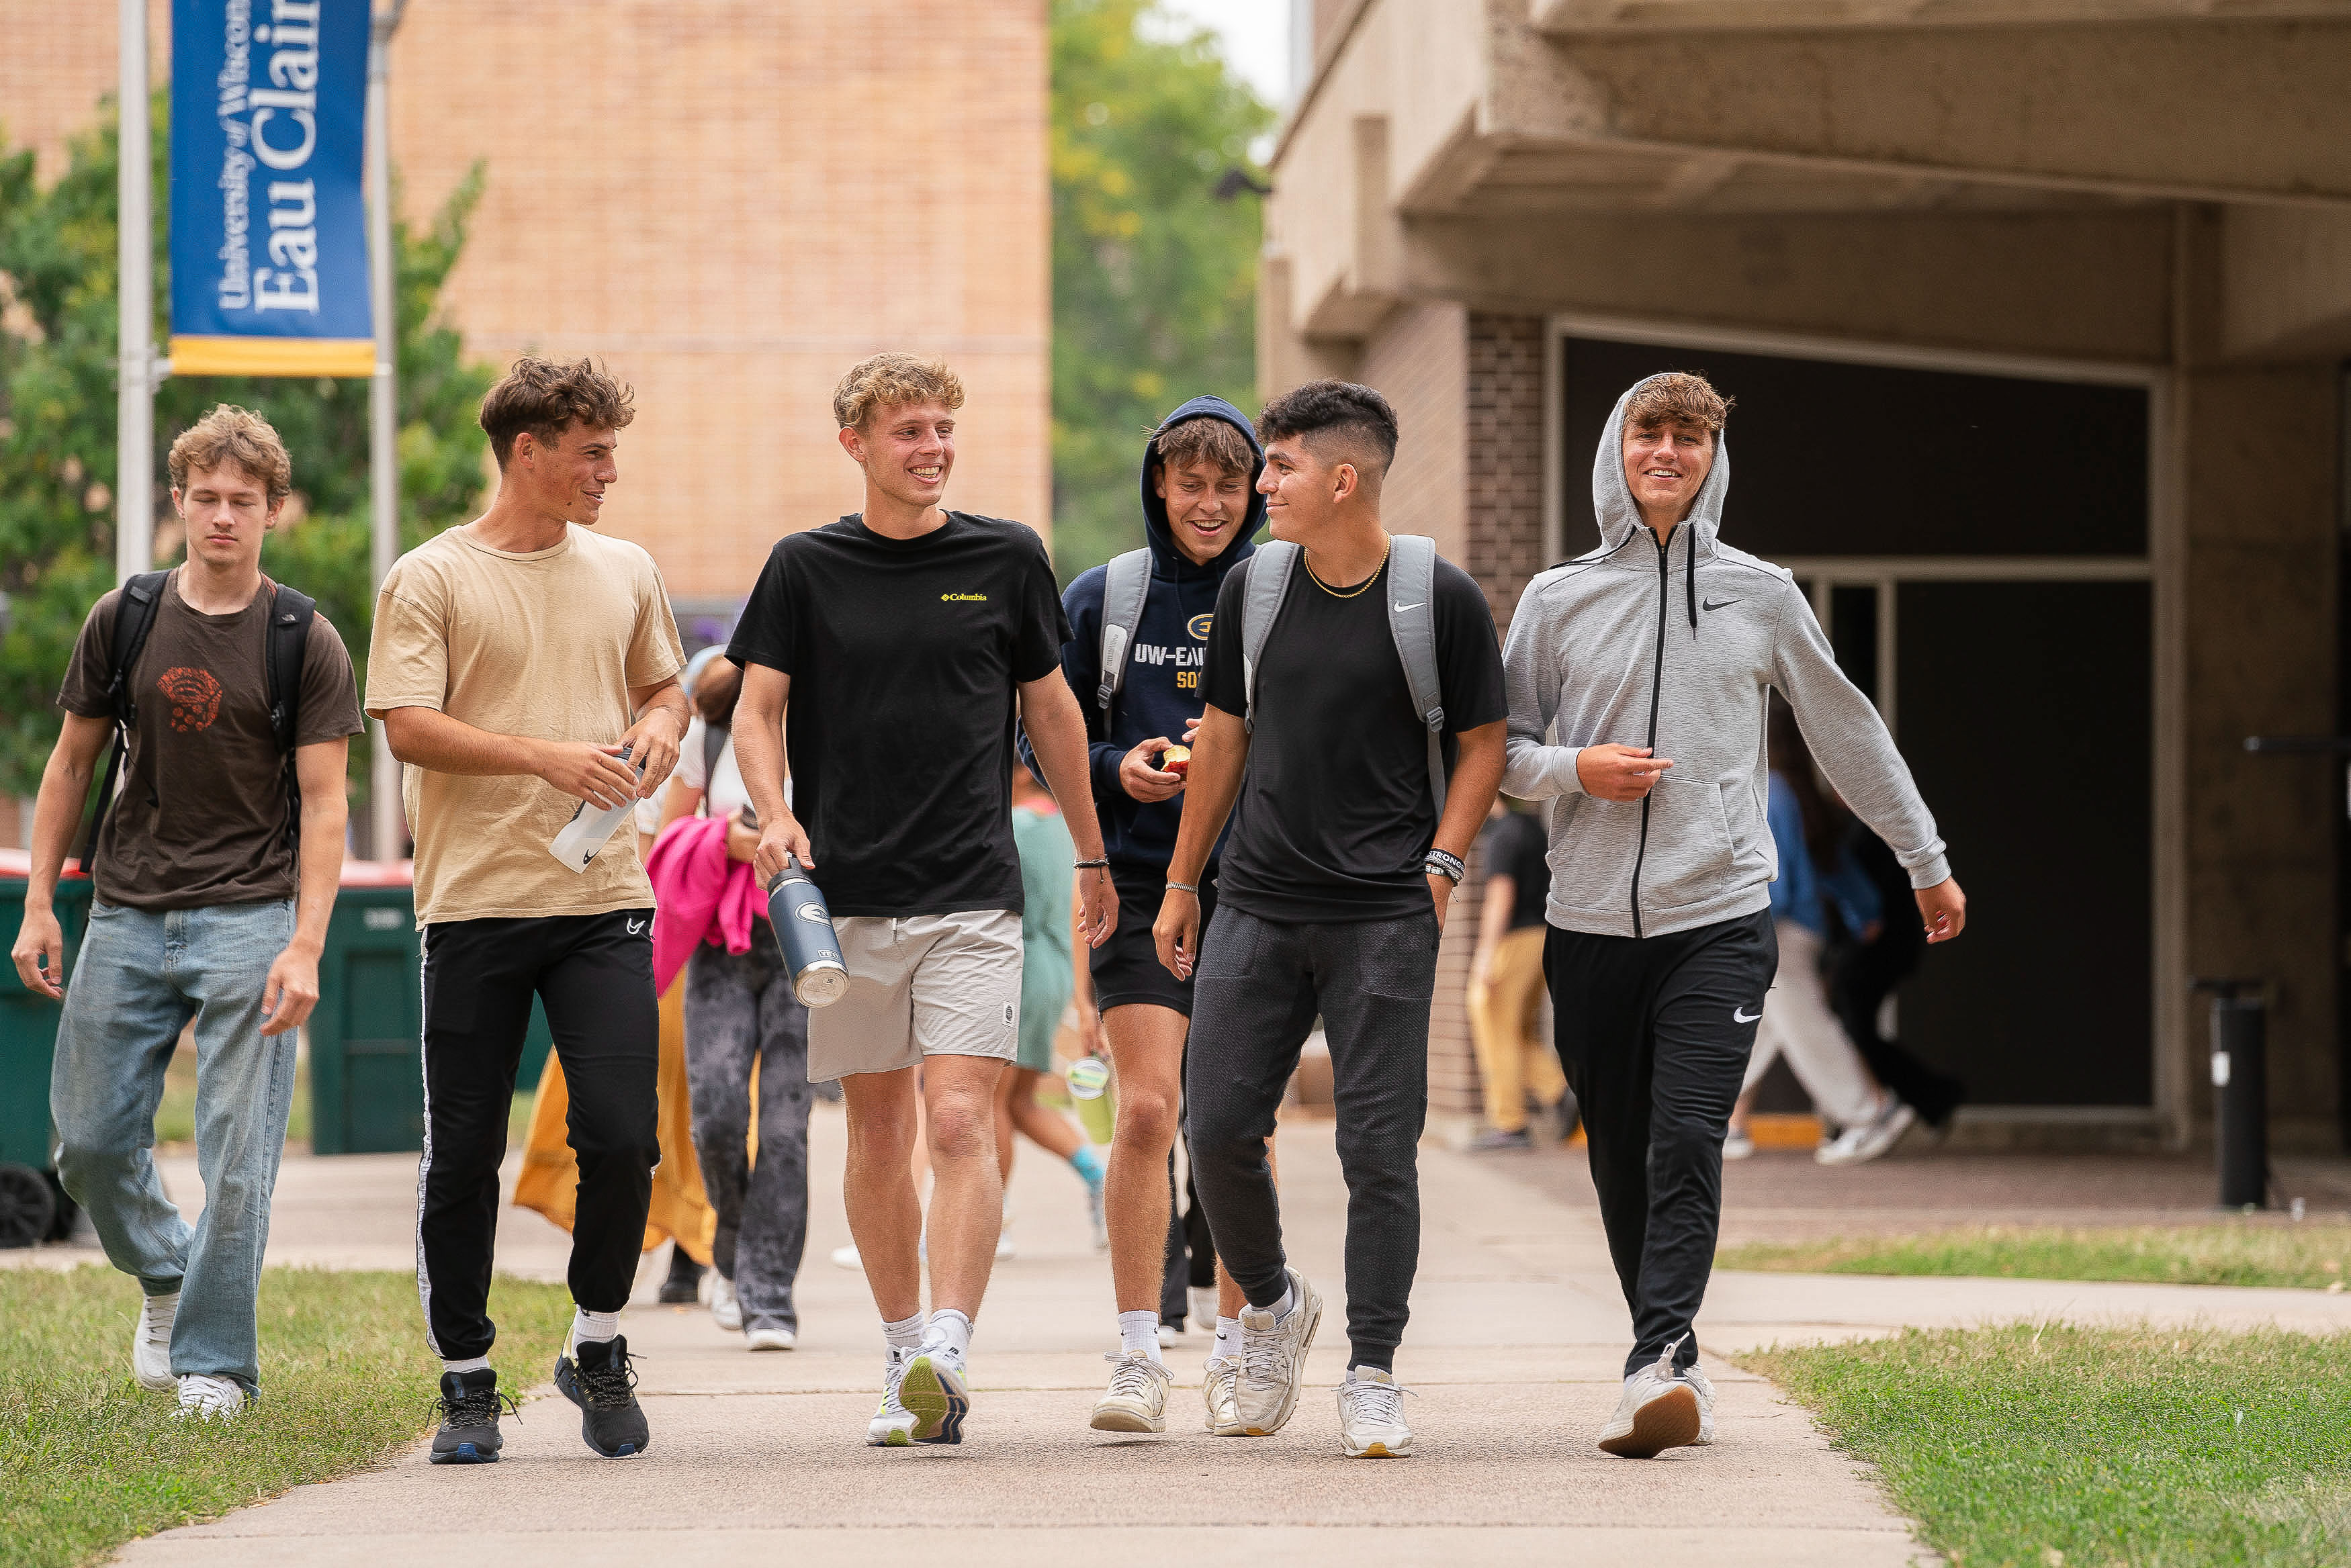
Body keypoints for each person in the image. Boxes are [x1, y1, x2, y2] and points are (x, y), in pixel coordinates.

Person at [1499, 370, 1967, 1460]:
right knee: (1617, 1153)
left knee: (1686, 1139)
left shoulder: (1761, 593)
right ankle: (1670, 1351)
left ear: (1713, 459)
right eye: (1651, 434)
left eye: (1690, 439)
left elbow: (1848, 731)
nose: (1669, 453)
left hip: (1719, 916)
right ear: (1619, 448)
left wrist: (1924, 859)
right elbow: (1500, 755)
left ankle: (1658, 1362)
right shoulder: (1555, 598)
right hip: (1590, 929)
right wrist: (1579, 768)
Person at [729, 353, 1115, 1448]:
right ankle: (900, 1351)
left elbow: (1052, 716)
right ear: (856, 443)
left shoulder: (1006, 558)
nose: (932, 447)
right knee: (880, 1133)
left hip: (971, 894)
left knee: (958, 1118)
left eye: (943, 427)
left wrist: (1090, 857)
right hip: (844, 900)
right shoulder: (804, 568)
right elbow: (758, 712)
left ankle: (948, 1345)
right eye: (908, 431)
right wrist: (777, 812)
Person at [1157, 379, 1509, 1459]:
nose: (1263, 485)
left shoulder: (1438, 596)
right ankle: (1270, 1302)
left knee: (1379, 1152)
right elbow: (1221, 739)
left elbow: (1484, 742)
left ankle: (1372, 1369)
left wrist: (1442, 868)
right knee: (1213, 1126)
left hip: (1383, 917)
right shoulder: (1258, 588)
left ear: (1342, 477)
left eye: (1281, 467)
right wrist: (1182, 883)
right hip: (1255, 903)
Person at [368, 357, 690, 1465]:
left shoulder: (626, 568)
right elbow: (407, 724)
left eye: (611, 449)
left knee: (622, 1136)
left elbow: (666, 687)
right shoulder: (431, 578)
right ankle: (466, 1380)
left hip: (605, 899)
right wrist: (546, 757)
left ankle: (598, 1342)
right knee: (463, 1154)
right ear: (527, 453)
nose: (611, 471)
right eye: (592, 452)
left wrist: (656, 731)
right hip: (473, 903)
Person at [10, 406, 361, 1421]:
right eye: (204, 497)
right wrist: (41, 904)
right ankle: (166, 1271)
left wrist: (306, 942)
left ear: (273, 512)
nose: (221, 515)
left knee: (237, 1157)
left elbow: (330, 801)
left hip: (252, 916)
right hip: (123, 910)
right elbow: (71, 761)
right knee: (85, 1140)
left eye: (241, 501)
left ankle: (216, 1363)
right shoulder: (124, 614)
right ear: (178, 503)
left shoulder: (305, 637)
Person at [1020, 396, 1269, 1436]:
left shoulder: (1279, 596)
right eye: (1191, 483)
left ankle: (1238, 1348)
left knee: (1229, 1124)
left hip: (1252, 888)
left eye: (1229, 484)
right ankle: (1136, 1353)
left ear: (1255, 491)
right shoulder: (1104, 596)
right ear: (1159, 486)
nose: (1209, 503)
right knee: (1152, 1111)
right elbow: (1044, 732)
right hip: (1130, 878)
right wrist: (1123, 765)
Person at [658, 651, 811, 1351]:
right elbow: (664, 836)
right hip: (721, 949)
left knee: (785, 1125)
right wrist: (725, 837)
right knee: (716, 1113)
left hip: (805, 947)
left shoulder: (831, 726)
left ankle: (769, 1292)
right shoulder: (711, 730)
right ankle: (732, 1245)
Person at [1725, 702, 1912, 1166]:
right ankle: (1715, 1121)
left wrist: (1751, 930)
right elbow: (1833, 867)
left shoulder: (1772, 793)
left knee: (1806, 1027)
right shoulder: (1798, 792)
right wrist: (1864, 911)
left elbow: (1778, 878)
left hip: (1777, 930)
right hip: (1797, 929)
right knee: (1763, 1027)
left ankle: (1872, 1114)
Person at [999, 765, 1110, 1259]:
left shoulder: (1016, 825)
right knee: (1020, 1101)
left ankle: (990, 1217)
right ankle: (1098, 1177)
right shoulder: (1062, 827)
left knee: (988, 1105)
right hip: (1052, 968)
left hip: (1016, 966)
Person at [1466, 798, 1570, 1150]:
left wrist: (1484, 956)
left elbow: (1500, 897)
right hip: (1542, 937)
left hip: (1513, 941)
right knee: (1519, 1032)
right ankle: (1559, 1092)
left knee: (1493, 1024)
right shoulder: (1532, 828)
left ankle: (1509, 1125)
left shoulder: (1502, 836)